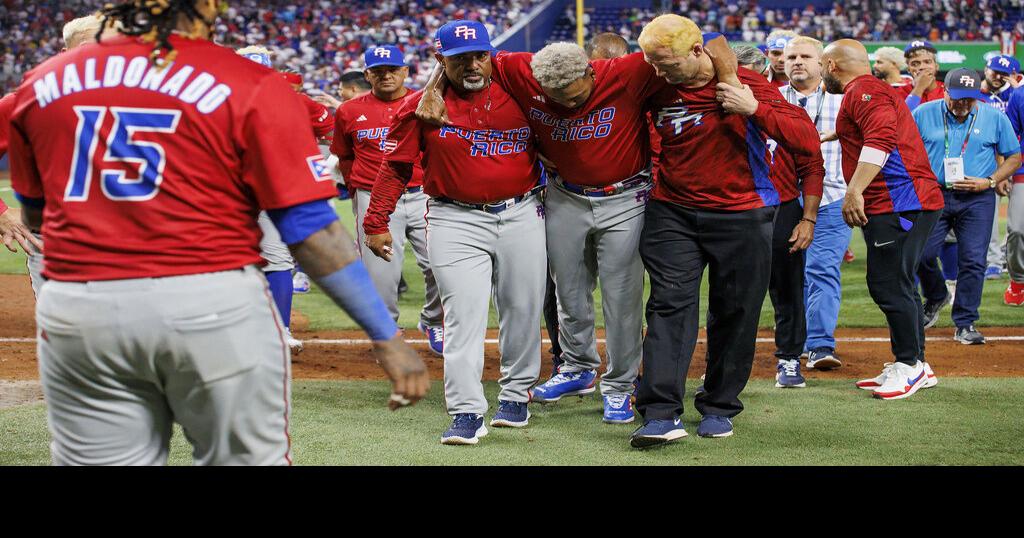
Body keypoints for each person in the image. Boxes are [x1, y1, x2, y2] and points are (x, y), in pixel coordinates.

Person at [8, 0, 428, 465]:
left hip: (84, 309)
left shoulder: (41, 84)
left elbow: (36, 213)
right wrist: (384, 334)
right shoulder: (245, 81)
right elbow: (309, 229)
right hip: (207, 302)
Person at [629, 15, 821, 446]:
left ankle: (718, 405)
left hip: (743, 213)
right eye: (653, 64)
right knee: (667, 306)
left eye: (667, 64)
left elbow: (805, 139)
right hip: (672, 212)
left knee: (735, 313)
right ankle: (660, 411)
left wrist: (753, 108)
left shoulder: (750, 83)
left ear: (696, 52)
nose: (659, 73)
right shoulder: (655, 82)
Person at [364, 20, 546, 445]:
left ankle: (516, 395)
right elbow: (395, 168)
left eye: (479, 55)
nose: (472, 64)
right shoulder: (419, 107)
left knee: (522, 308)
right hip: (454, 218)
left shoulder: (518, 89)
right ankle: (466, 410)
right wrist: (375, 222)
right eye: (460, 57)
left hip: (521, 211)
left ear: (491, 55)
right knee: (463, 316)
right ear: (440, 59)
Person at [821, 39, 944, 400]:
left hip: (899, 200)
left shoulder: (864, 90)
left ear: (830, 65)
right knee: (897, 282)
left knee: (888, 283)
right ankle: (916, 364)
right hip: (902, 200)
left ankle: (909, 367)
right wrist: (842, 134)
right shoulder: (868, 90)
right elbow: (874, 133)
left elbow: (880, 139)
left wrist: (854, 190)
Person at [331, 45, 444, 354]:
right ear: (367, 75)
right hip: (373, 197)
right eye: (378, 71)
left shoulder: (424, 102)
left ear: (405, 72)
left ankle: (434, 320)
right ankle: (388, 336)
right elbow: (344, 156)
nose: (386, 76)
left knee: (441, 264)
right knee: (381, 275)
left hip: (423, 193)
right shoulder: (349, 110)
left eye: (392, 69)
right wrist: (357, 191)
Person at [731, 43, 825, 390]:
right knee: (732, 291)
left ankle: (788, 358)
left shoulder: (787, 112)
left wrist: (808, 218)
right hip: (735, 210)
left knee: (787, 290)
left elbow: (812, 165)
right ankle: (723, 358)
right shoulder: (717, 115)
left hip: (783, 208)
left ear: (764, 76)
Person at [913, 68, 1021, 344]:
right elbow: (907, 150)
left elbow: (1013, 156)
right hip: (934, 194)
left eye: (969, 100)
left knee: (973, 260)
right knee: (921, 255)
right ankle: (937, 296)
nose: (962, 105)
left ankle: (965, 322)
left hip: (977, 197)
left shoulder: (994, 116)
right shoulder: (923, 113)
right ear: (945, 91)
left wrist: (990, 180)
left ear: (977, 96)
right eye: (957, 98)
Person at [237, 45, 330, 355]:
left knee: (277, 260)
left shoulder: (295, 103)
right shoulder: (214, 102)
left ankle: (281, 330)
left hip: (272, 195)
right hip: (227, 198)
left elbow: (335, 130)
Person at [779, 36, 849, 375]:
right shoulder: (772, 99)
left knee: (821, 270)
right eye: (791, 56)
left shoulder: (844, 101)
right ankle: (789, 343)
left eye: (806, 56)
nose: (796, 62)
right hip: (784, 201)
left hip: (833, 199)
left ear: (823, 63)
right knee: (784, 278)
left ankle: (820, 344)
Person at [981, 55, 1021, 280]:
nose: (997, 76)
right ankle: (993, 261)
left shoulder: (1015, 95)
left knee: (1019, 222)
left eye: (1003, 73)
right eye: (994, 71)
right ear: (986, 69)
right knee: (989, 215)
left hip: (1017, 161)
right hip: (988, 163)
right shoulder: (975, 93)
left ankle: (1007, 252)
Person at [1004, 83, 1024, 306]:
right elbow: (1010, 136)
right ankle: (1018, 280)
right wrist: (1005, 171)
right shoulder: (1019, 94)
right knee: (1018, 229)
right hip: (1022, 171)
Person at [900, 40, 944, 111]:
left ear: (936, 66)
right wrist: (919, 88)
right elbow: (903, 119)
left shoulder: (948, 91)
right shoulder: (899, 93)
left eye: (927, 62)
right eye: (914, 64)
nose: (922, 67)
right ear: (908, 69)